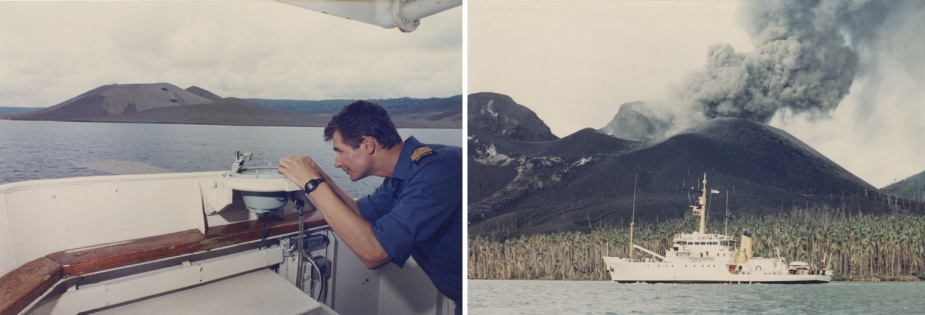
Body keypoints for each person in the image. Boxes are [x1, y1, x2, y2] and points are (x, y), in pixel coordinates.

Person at [278, 100, 462, 314]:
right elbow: (358, 212)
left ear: (367, 144)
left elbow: (374, 253)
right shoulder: (402, 176)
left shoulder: (437, 171)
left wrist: (312, 185)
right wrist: (321, 177)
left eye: (340, 151)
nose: (337, 162)